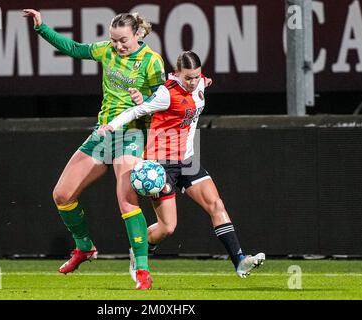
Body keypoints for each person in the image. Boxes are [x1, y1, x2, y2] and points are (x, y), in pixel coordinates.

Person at [23, 9, 166, 290]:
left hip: (131, 134)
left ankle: (143, 271)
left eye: (123, 40)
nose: (118, 46)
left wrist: (145, 98)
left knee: (126, 200)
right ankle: (85, 247)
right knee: (62, 195)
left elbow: (164, 100)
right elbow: (76, 49)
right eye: (113, 40)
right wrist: (42, 28)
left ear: (137, 33)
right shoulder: (106, 51)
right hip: (103, 133)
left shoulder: (151, 61)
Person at [98, 51, 265, 281]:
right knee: (167, 228)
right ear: (177, 74)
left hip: (187, 160)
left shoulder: (199, 84)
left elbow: (201, 83)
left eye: (196, 76)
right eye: (188, 78)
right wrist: (111, 125)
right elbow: (136, 111)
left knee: (216, 204)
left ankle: (239, 262)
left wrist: (203, 82)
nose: (193, 82)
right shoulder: (166, 93)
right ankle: (140, 251)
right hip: (161, 165)